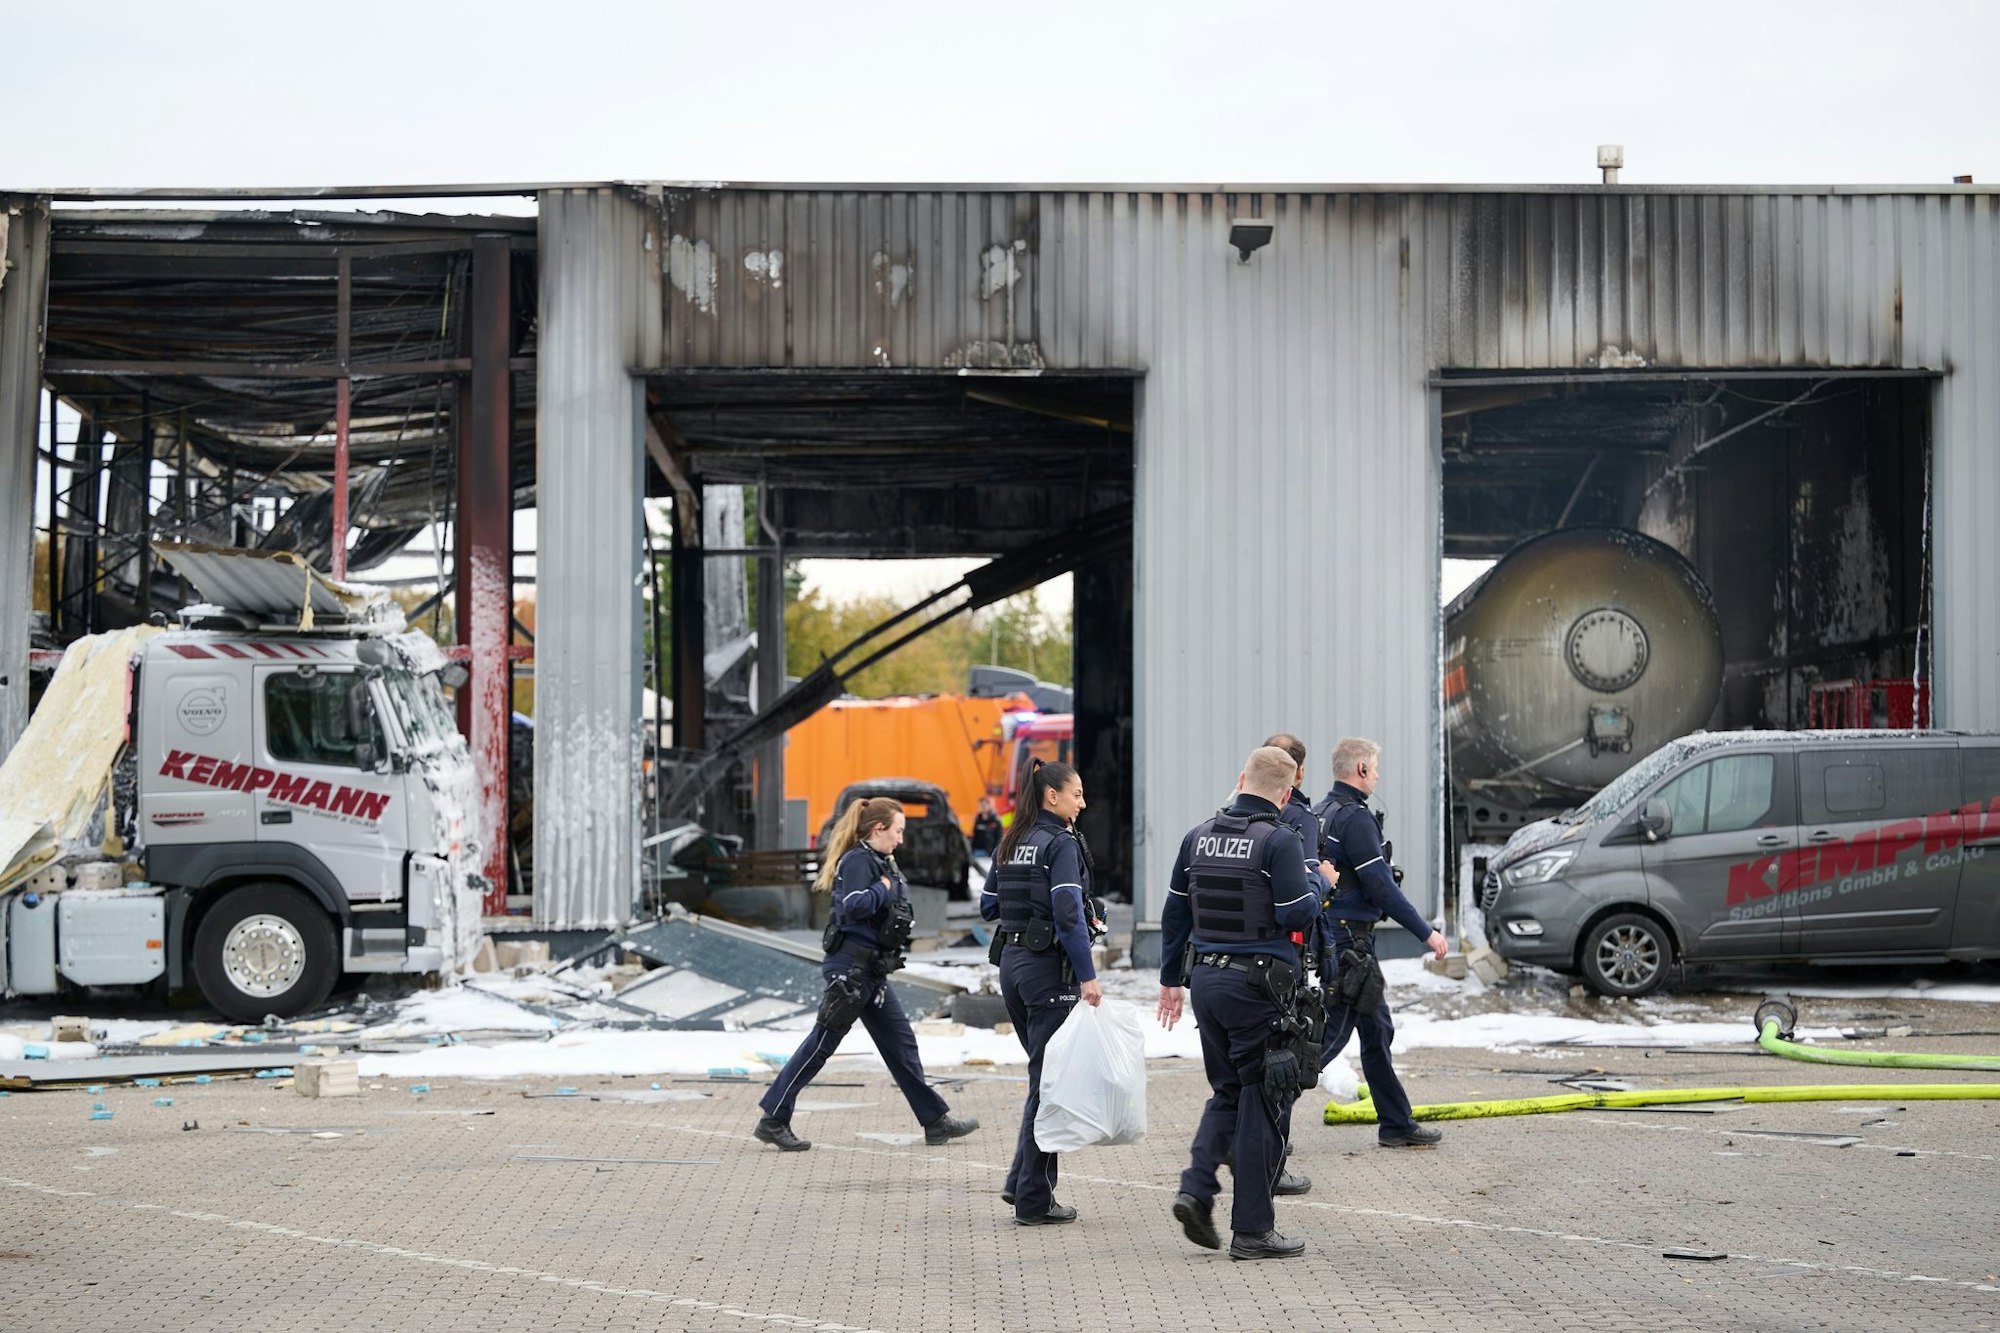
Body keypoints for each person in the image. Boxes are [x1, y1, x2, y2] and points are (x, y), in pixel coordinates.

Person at [1157, 746, 1321, 1260]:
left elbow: (1173, 915)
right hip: (1259, 990)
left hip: (1206, 982)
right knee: (1265, 1102)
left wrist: (1169, 982)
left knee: (1228, 1091)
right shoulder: (1280, 841)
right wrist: (1322, 882)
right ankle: (1252, 1230)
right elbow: (1298, 914)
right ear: (1288, 792)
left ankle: (1196, 1187)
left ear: (1241, 778)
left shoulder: (1197, 836)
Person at [756, 795, 980, 1152]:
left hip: (871, 971)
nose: (901, 839)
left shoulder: (880, 860)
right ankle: (773, 1118)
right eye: (898, 831)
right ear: (879, 829)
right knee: (822, 1043)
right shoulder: (860, 860)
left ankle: (935, 1122)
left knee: (901, 1044)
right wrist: (884, 889)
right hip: (850, 969)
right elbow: (855, 905)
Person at [982, 760, 1102, 1226]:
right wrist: (1088, 975)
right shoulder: (1060, 843)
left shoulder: (1012, 840)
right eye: (1077, 794)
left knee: (1044, 1078)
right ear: (1052, 796)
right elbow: (1069, 915)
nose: (1083, 802)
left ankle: (1021, 1182)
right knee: (1050, 1084)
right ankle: (1034, 1198)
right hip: (1047, 971)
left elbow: (988, 903)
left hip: (1012, 967)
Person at [1315, 737, 1449, 1149]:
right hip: (1350, 943)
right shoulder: (1354, 818)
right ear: (1360, 770)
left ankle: (1396, 1123)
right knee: (1325, 1041)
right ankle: (1255, 1120)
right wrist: (1425, 931)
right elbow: (1379, 883)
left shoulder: (1321, 811)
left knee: (1377, 1030)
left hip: (1340, 937)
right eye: (1374, 768)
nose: (1378, 775)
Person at [1260, 732, 1340, 1198]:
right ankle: (1273, 1162)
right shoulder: (1299, 819)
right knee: (1289, 1058)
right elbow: (1302, 902)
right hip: (1285, 958)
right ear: (1299, 775)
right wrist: (1324, 880)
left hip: (1232, 961)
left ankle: (1252, 1152)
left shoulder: (1229, 820)